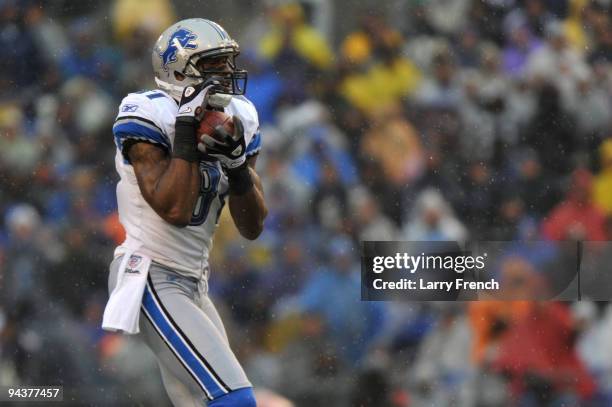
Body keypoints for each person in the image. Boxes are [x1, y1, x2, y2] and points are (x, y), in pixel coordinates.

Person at [104, 18, 267, 406]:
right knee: (235, 399)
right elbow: (174, 208)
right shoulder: (147, 111)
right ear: (180, 69)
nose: (227, 74)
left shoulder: (239, 115)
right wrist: (185, 127)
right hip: (150, 275)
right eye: (214, 65)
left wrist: (237, 163)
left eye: (228, 63)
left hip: (194, 283)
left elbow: (252, 225)